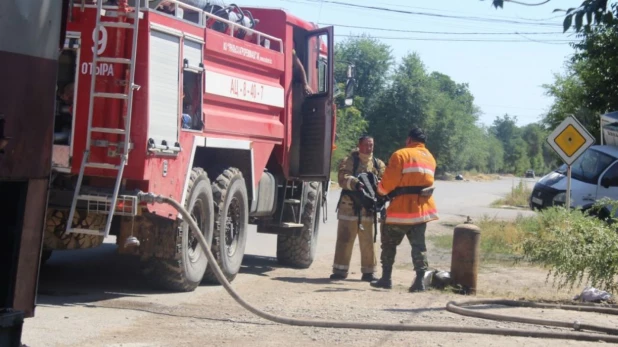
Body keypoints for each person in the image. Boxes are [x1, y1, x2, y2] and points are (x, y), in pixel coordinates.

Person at [370, 127, 439, 292]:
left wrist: (379, 192)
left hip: (400, 211)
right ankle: (419, 282)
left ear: (409, 140)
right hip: (421, 211)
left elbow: (388, 183)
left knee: (388, 244)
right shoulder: (430, 158)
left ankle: (386, 278)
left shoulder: (401, 154)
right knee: (419, 246)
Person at [330, 135, 385, 282]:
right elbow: (342, 178)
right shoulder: (350, 160)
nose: (369, 148)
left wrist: (378, 184)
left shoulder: (378, 164)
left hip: (368, 209)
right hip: (349, 207)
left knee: (368, 242)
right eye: (366, 145)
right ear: (359, 145)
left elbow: (386, 182)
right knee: (345, 239)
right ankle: (340, 271)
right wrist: (356, 183)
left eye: (371, 145)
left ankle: (369, 273)